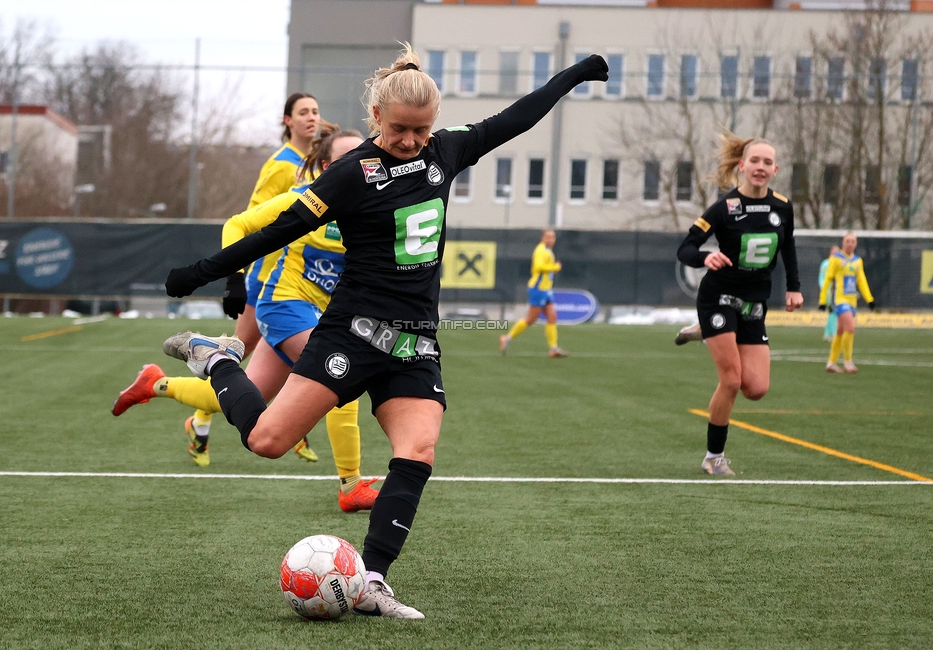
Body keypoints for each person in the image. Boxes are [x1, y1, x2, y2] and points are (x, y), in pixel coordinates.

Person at [162, 44, 608, 617]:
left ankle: (373, 579)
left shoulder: (446, 150)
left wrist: (574, 75)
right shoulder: (350, 174)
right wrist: (202, 273)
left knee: (417, 450)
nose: (411, 141)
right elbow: (277, 229)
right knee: (267, 441)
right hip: (351, 332)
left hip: (414, 340)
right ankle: (218, 361)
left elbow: (516, 117)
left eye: (421, 131)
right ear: (377, 119)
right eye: (399, 130)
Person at [113, 126, 380, 513]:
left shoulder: (368, 210)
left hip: (312, 315)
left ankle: (156, 383)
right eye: (343, 160)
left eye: (361, 159)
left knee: (247, 399)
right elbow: (236, 224)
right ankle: (351, 485)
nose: (355, 167)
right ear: (325, 167)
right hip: (281, 304)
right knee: (340, 371)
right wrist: (234, 278)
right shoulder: (303, 198)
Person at [196, 92, 323, 463]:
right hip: (268, 278)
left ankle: (292, 426)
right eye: (303, 113)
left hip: (295, 278)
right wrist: (239, 275)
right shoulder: (283, 166)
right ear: (287, 121)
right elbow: (252, 219)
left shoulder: (310, 160)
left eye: (315, 111)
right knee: (238, 360)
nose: (311, 118)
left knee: (251, 368)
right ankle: (190, 408)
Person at [677, 132, 803, 476]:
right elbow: (685, 249)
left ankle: (705, 330)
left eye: (767, 162)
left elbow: (787, 248)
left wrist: (794, 288)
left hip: (754, 303)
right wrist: (706, 257)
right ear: (741, 166)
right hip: (718, 298)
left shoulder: (782, 206)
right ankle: (713, 457)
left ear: (774, 169)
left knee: (756, 389)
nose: (760, 167)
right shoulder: (723, 209)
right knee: (731, 381)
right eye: (754, 161)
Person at [499, 229, 568, 357]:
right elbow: (538, 267)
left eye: (553, 237)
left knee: (552, 317)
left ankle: (553, 348)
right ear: (542, 238)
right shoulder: (541, 250)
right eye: (548, 237)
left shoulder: (547, 250)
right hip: (538, 289)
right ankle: (506, 338)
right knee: (530, 319)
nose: (551, 239)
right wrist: (555, 267)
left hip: (546, 290)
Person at [819, 232, 874, 374]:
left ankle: (831, 363)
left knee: (840, 331)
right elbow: (828, 280)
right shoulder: (836, 259)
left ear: (856, 244)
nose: (850, 243)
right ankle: (848, 362)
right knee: (850, 327)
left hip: (852, 301)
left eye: (852, 241)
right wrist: (823, 300)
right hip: (839, 300)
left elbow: (861, 281)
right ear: (843, 243)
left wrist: (869, 299)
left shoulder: (857, 261)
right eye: (847, 241)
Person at [819, 245, 841, 342]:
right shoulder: (826, 264)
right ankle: (833, 333)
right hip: (829, 292)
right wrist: (825, 289)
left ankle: (828, 333)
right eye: (834, 251)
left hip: (837, 292)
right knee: (833, 312)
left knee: (833, 313)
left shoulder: (839, 263)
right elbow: (822, 278)